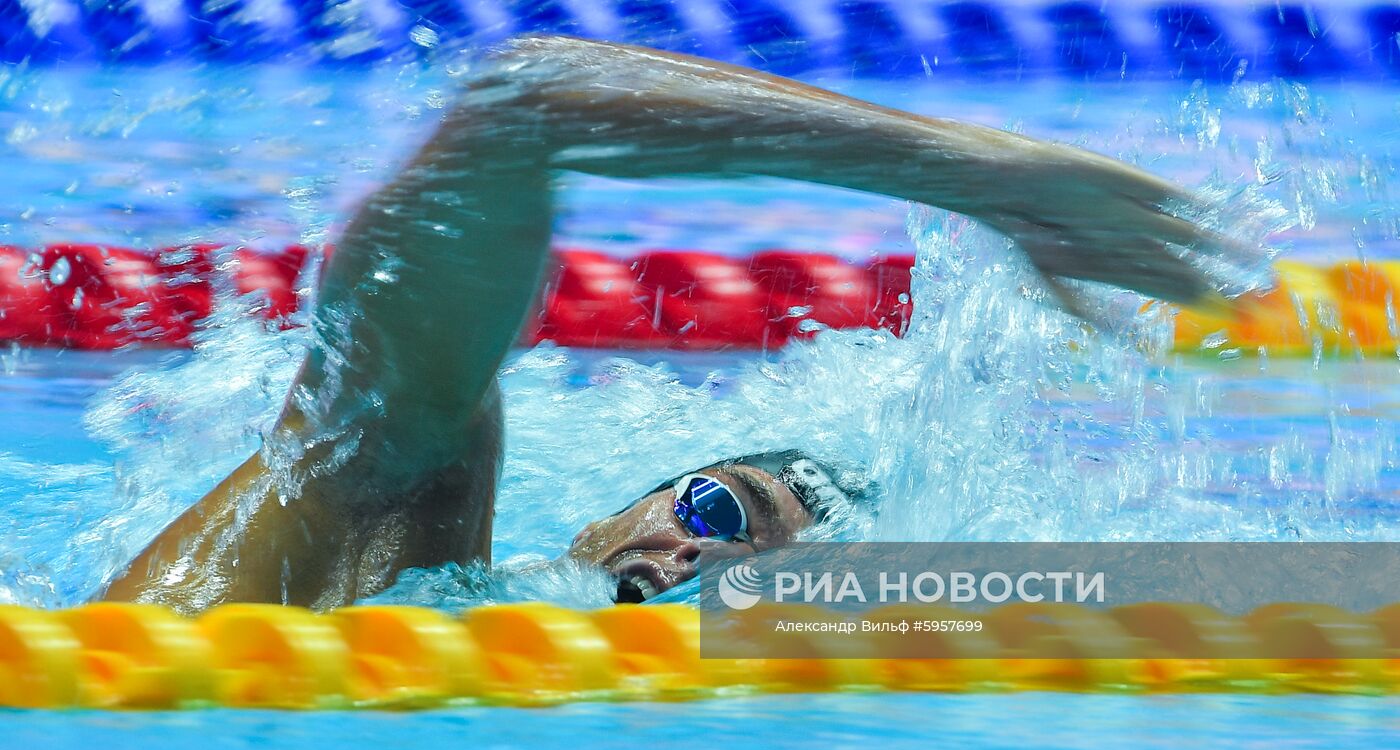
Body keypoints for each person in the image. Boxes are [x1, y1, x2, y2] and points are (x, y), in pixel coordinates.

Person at [102, 36, 1245, 613]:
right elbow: (520, 105)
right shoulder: (400, 508)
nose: (706, 560)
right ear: (607, 515)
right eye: (716, 509)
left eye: (762, 579)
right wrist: (982, 178)